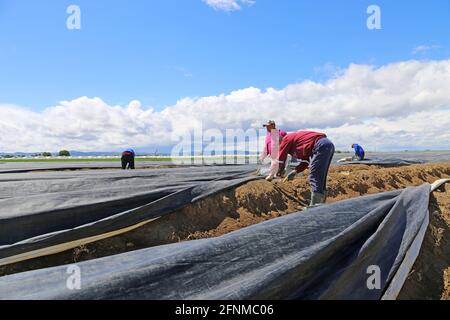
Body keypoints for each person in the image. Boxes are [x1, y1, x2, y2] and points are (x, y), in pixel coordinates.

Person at [269, 131, 335, 206]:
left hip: (321, 145)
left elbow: (281, 158)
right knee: (321, 175)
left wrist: (279, 172)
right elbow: (305, 162)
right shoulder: (299, 143)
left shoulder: (286, 139)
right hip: (327, 145)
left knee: (315, 174)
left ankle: (315, 206)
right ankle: (321, 203)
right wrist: (294, 172)